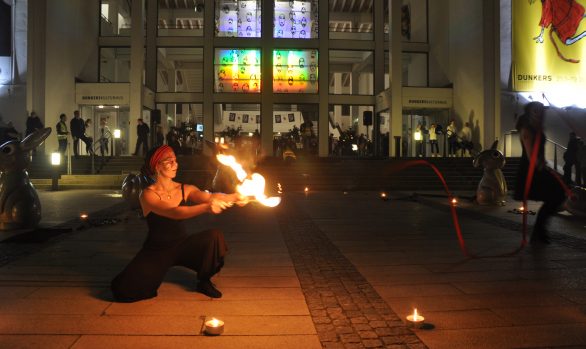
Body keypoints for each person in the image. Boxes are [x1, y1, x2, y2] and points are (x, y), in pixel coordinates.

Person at [111, 145, 247, 302]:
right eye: (170, 161)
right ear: (157, 165)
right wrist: (206, 208)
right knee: (124, 291)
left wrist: (238, 196)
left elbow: (211, 196)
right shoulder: (147, 194)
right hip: (157, 250)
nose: (175, 164)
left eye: (175, 160)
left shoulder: (185, 188)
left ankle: (204, 281)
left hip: (183, 245)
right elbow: (174, 213)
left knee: (214, 237)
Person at [514, 102, 566, 244]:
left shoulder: (538, 128)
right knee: (556, 195)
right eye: (535, 110)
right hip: (532, 170)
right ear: (530, 112)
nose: (539, 113)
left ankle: (539, 230)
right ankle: (539, 231)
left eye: (541, 110)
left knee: (557, 196)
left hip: (540, 168)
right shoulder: (527, 130)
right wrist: (546, 168)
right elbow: (531, 156)